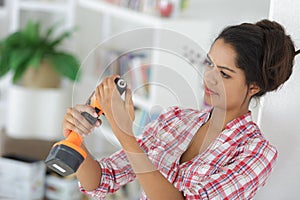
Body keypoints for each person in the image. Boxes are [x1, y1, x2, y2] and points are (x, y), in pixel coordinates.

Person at [62, 19, 299, 199]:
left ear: (254, 86)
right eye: (209, 64)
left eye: (224, 74)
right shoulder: (176, 120)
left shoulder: (257, 154)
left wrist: (124, 133)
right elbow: (103, 179)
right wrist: (76, 142)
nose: (209, 78)